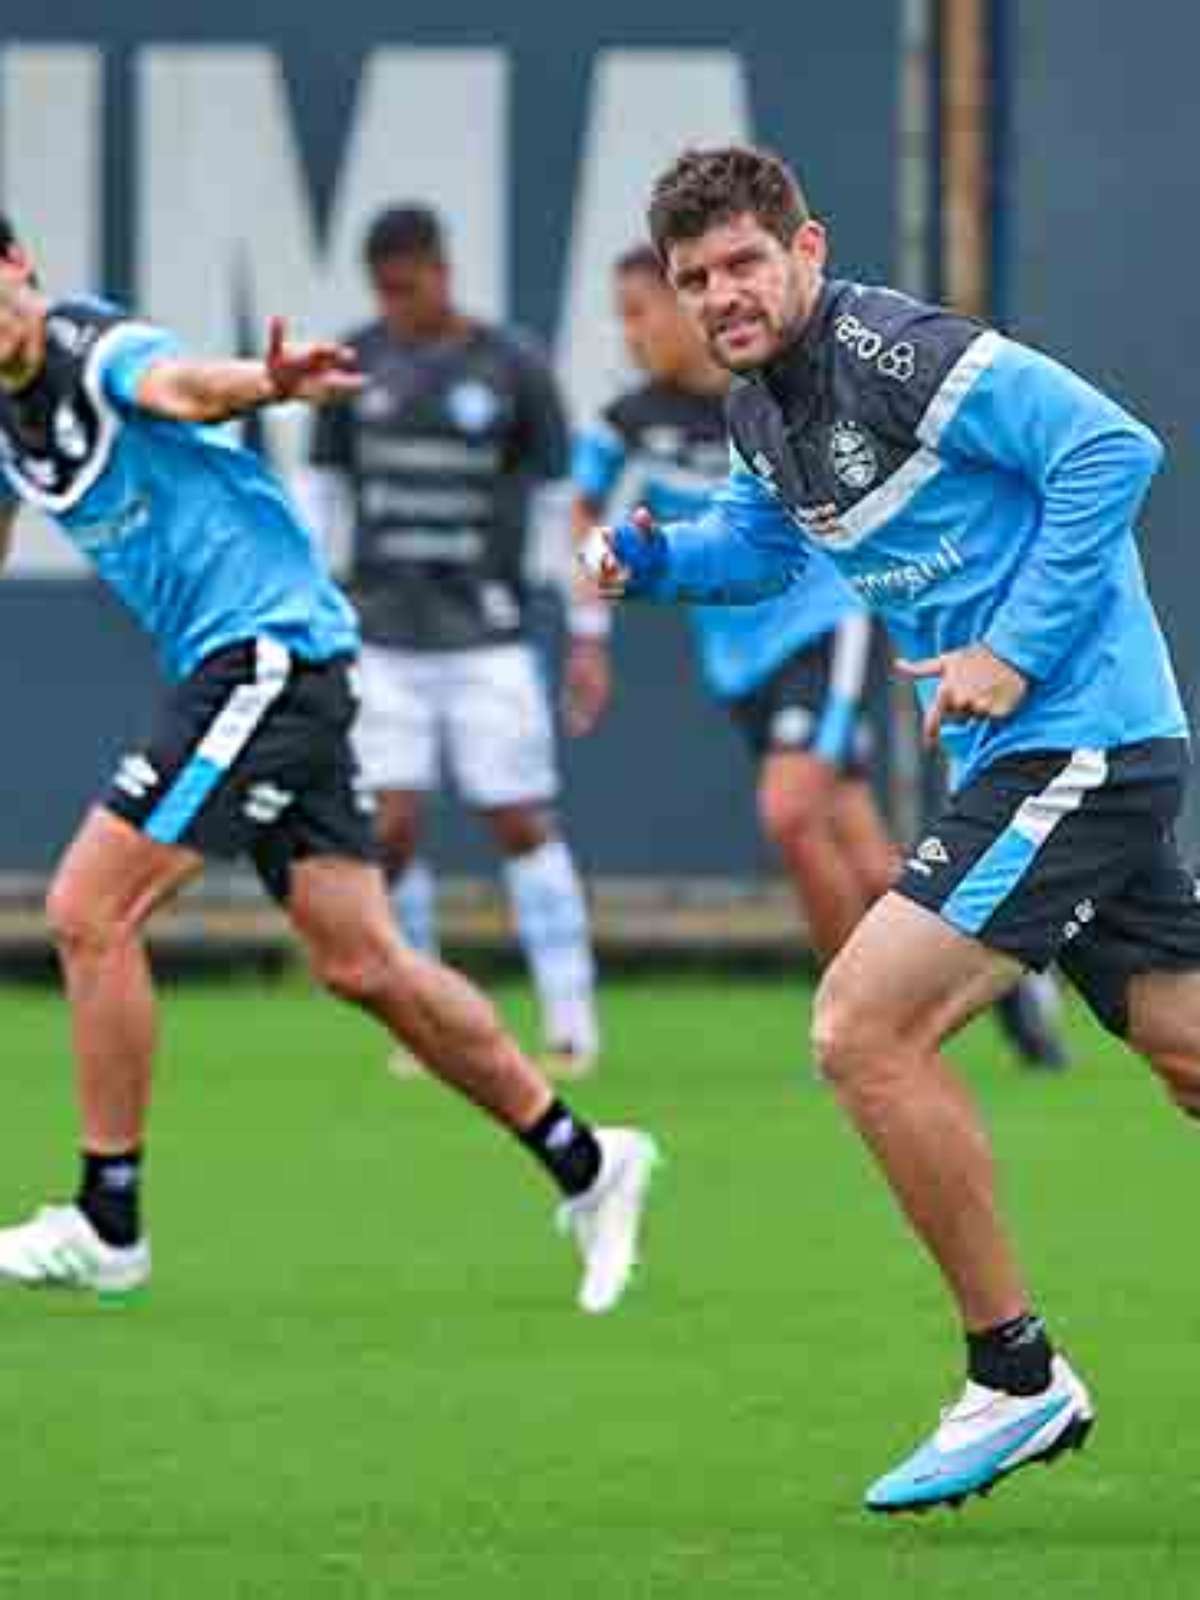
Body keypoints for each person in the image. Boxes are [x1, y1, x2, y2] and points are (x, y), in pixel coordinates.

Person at [582, 145, 1200, 1509]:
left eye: (746, 261)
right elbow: (764, 550)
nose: (723, 294)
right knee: (1182, 1047)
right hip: (1044, 746)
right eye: (697, 280)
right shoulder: (763, 408)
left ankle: (1016, 1378)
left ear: (808, 247)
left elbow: (1113, 449)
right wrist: (658, 562)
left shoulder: (896, 348)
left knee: (861, 1029)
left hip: (1073, 733)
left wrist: (1018, 653)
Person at [0, 212, 656, 1315]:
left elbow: (180, 388)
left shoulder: (85, 347)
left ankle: (109, 1219)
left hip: (265, 655)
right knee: (363, 963)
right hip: (270, 666)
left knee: (88, 911)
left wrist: (264, 380)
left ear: (18, 267)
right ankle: (590, 1163)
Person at [572, 243, 1068, 1064]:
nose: (632, 333)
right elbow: (582, 518)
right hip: (737, 660)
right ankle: (1010, 976)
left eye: (642, 311)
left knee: (789, 813)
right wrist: (595, 605)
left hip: (821, 628)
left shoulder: (766, 400)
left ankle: (865, 1024)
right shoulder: (627, 423)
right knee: (869, 859)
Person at [301, 204, 600, 1077]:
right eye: (384, 292)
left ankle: (571, 1016)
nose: (398, 305)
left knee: (519, 819)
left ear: (442, 270)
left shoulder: (512, 368)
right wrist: (316, 607)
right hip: (383, 639)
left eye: (410, 285)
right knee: (388, 830)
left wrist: (585, 630)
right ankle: (424, 1017)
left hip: (487, 638)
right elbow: (323, 497)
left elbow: (559, 507)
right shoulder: (354, 364)